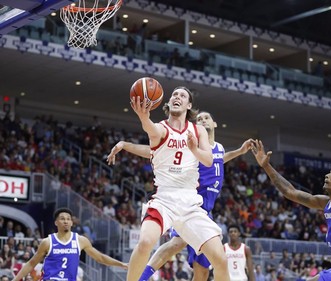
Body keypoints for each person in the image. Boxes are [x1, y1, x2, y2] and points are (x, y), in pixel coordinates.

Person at [107, 111, 252, 280]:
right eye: (199, 119)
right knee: (177, 243)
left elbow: (219, 159)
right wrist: (127, 146)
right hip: (189, 203)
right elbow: (155, 151)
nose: (202, 121)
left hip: (207, 208)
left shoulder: (217, 148)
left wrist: (240, 152)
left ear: (214, 124)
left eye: (206, 118)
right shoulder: (192, 145)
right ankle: (143, 276)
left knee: (203, 268)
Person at [123, 86, 230, 281]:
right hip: (165, 198)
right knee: (146, 241)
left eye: (182, 95)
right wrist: (143, 117)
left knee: (220, 259)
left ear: (189, 105)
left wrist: (194, 149)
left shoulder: (198, 131)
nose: (177, 97)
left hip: (190, 201)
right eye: (174, 95)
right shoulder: (162, 127)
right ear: (168, 102)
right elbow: (150, 128)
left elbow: (208, 160)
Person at [249, 139, 331, 281]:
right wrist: (266, 166)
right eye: (328, 172)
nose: (327, 175)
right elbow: (291, 192)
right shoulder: (325, 203)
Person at [11, 208, 127, 281]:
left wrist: (121, 264)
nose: (66, 221)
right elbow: (31, 263)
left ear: (72, 222)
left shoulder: (81, 240)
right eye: (62, 219)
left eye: (68, 219)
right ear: (56, 222)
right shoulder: (47, 242)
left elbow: (100, 258)